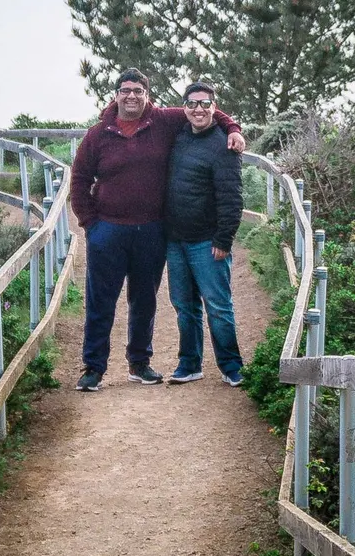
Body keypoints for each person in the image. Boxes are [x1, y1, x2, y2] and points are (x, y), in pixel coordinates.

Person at [69, 68, 245, 392]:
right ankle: (93, 368)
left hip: (151, 230)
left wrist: (232, 128)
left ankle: (139, 363)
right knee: (100, 302)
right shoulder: (98, 134)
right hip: (107, 229)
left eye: (138, 90)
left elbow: (206, 110)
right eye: (126, 90)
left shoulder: (164, 120)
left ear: (147, 94)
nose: (132, 96)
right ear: (117, 94)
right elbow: (79, 180)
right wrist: (90, 224)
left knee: (144, 300)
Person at [163, 81, 245, 386]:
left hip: (207, 243)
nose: (198, 109)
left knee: (218, 306)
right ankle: (189, 364)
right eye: (192, 103)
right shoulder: (179, 135)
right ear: (184, 106)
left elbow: (232, 198)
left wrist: (224, 239)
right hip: (176, 240)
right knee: (184, 306)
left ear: (215, 107)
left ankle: (231, 365)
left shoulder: (224, 146)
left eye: (205, 104)